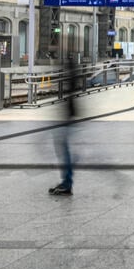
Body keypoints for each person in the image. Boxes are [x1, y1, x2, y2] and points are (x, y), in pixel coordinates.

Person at [49, 63, 77, 196]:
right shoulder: (72, 72)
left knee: (64, 149)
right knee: (63, 148)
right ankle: (67, 181)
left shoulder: (72, 71)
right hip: (68, 116)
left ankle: (67, 182)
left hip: (69, 117)